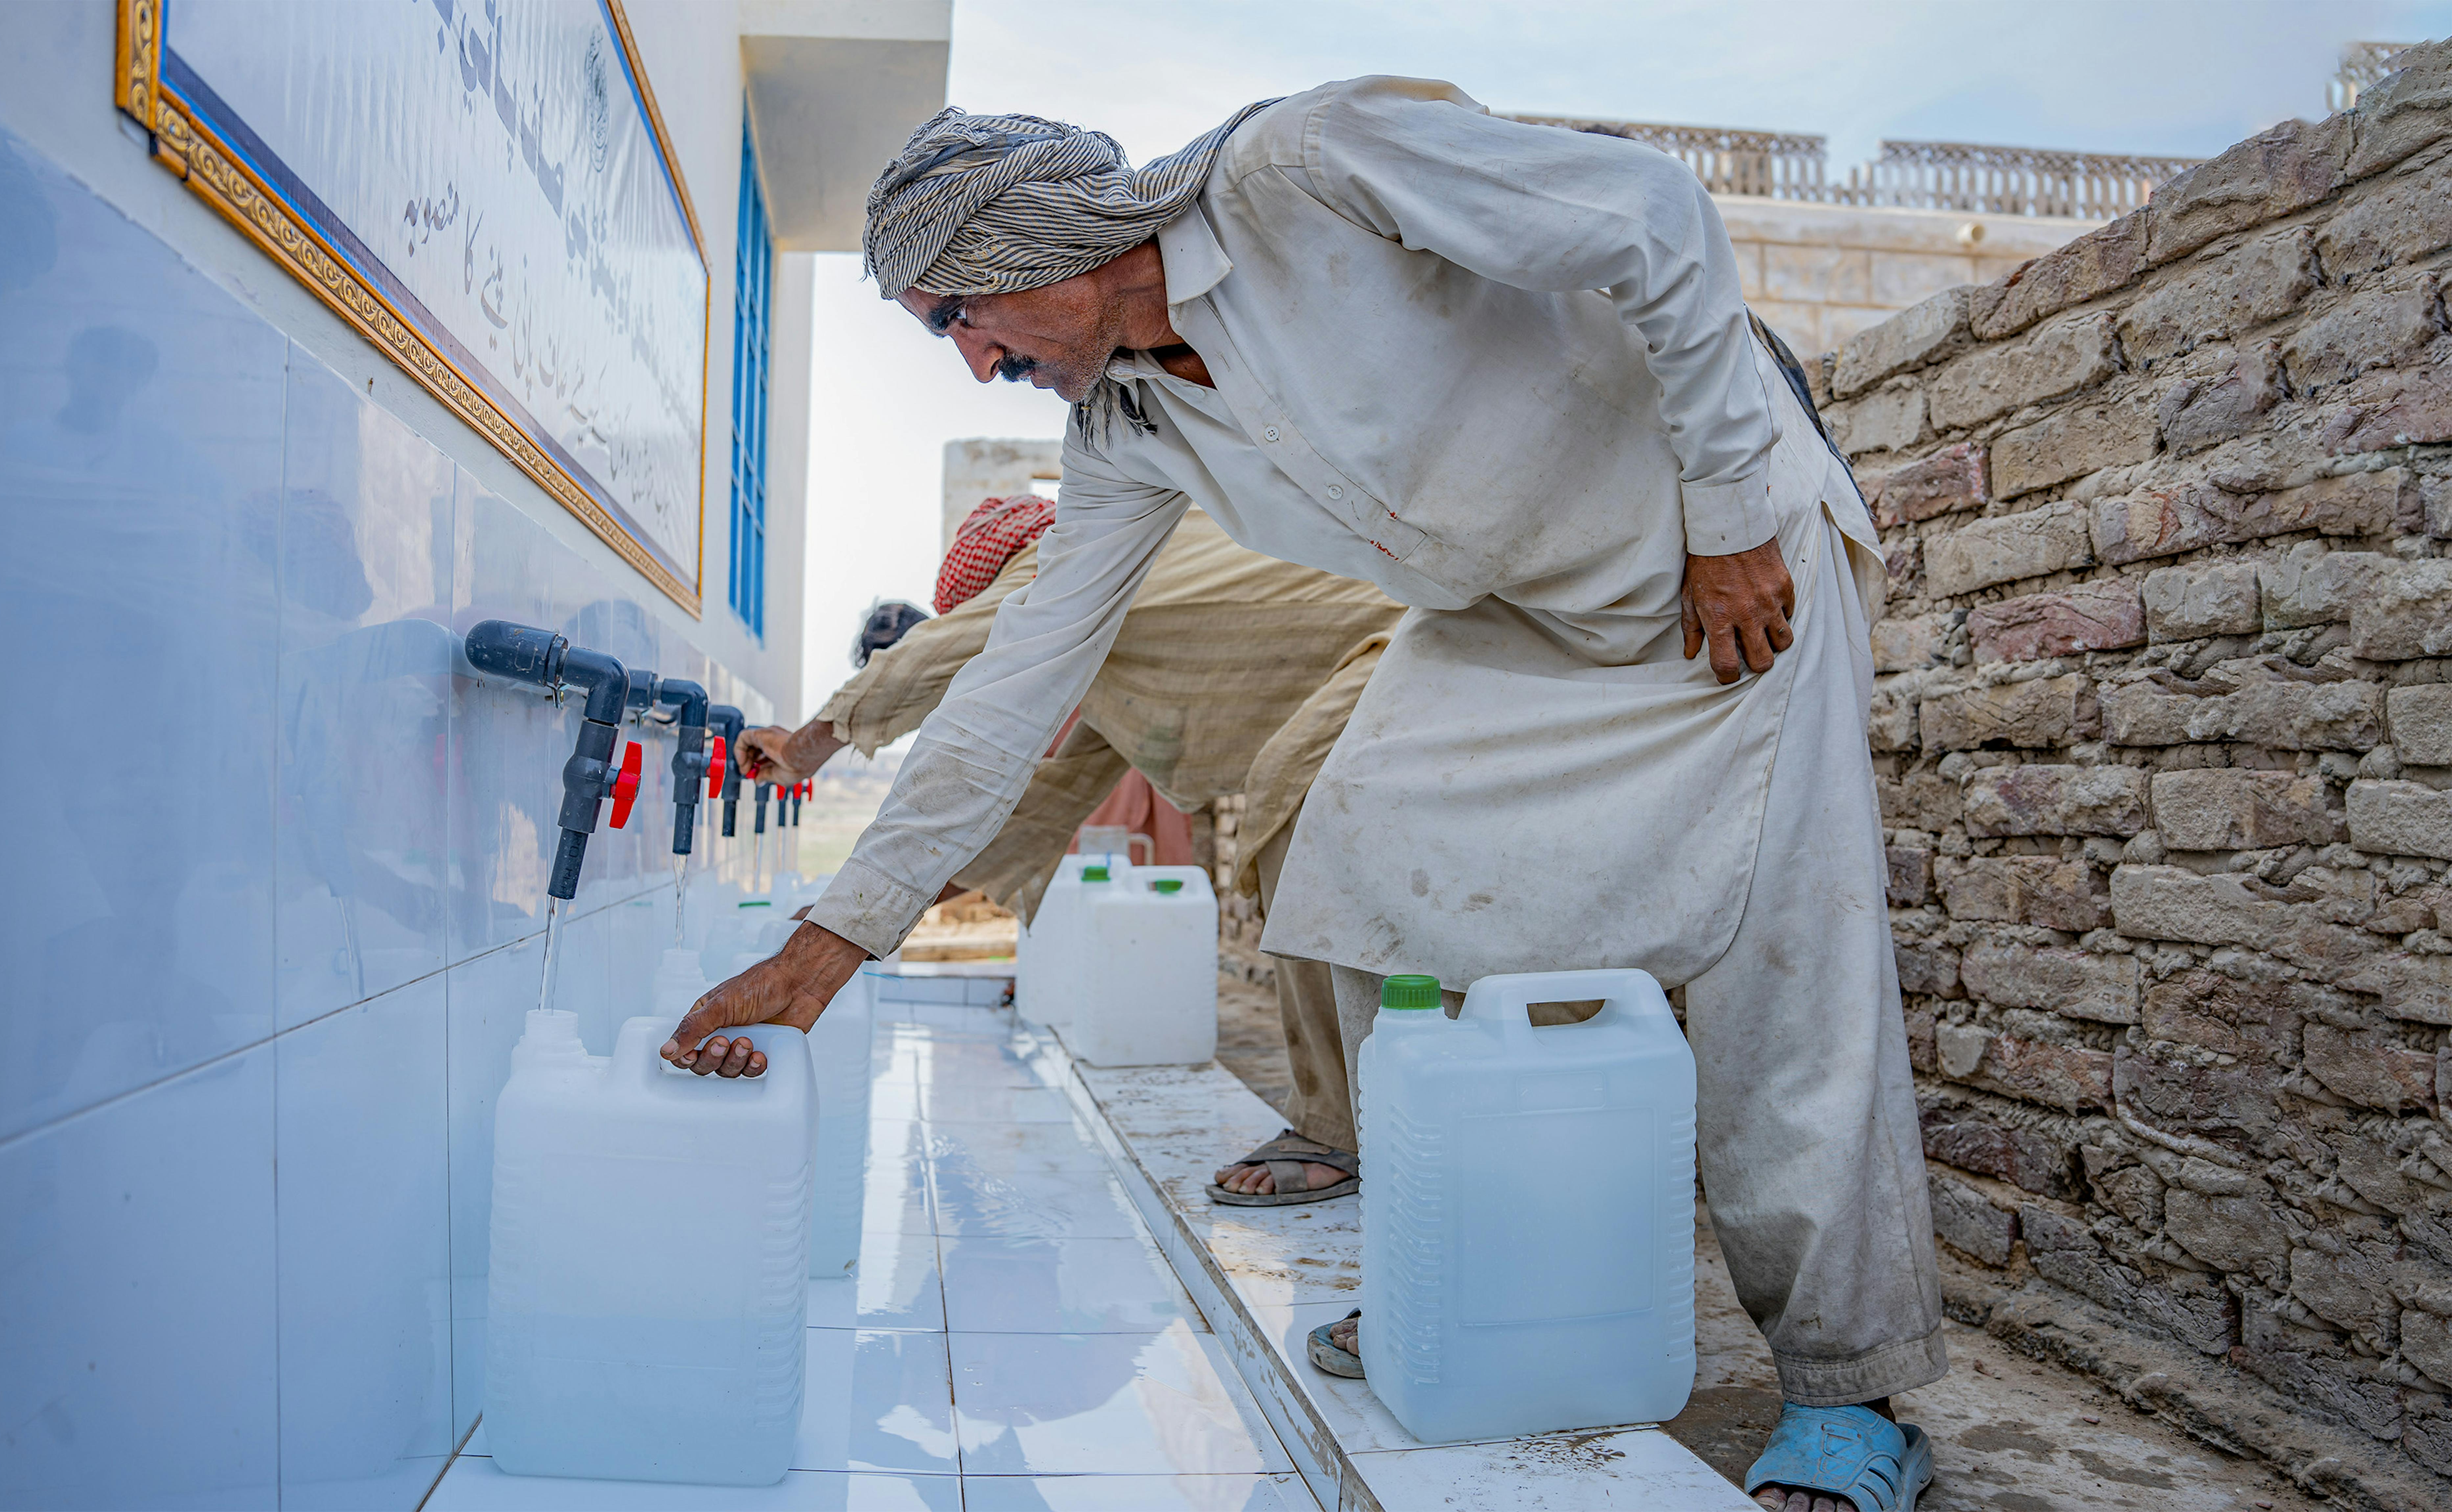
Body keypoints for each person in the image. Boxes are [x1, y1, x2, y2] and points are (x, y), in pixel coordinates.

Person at [662, 78, 1942, 1512]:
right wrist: (827, 949)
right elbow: (1008, 686)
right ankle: (1476, 1286)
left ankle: (1849, 1391)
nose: (971, 364)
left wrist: (1726, 516)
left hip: (1722, 559)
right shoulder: (1126, 433)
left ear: (1036, 246)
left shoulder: (1302, 168)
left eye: (961, 317)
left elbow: (1649, 220)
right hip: (1516, 617)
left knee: (1780, 958)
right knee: (1352, 860)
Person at [743, 490, 1401, 1203]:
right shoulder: (1119, 639)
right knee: (1308, 856)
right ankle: (1384, 1115)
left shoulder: (1070, 564)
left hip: (1401, 652)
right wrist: (861, 912)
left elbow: (922, 658)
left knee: (1291, 837)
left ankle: (1342, 1130)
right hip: (1385, 665)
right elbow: (1039, 808)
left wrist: (800, 747)